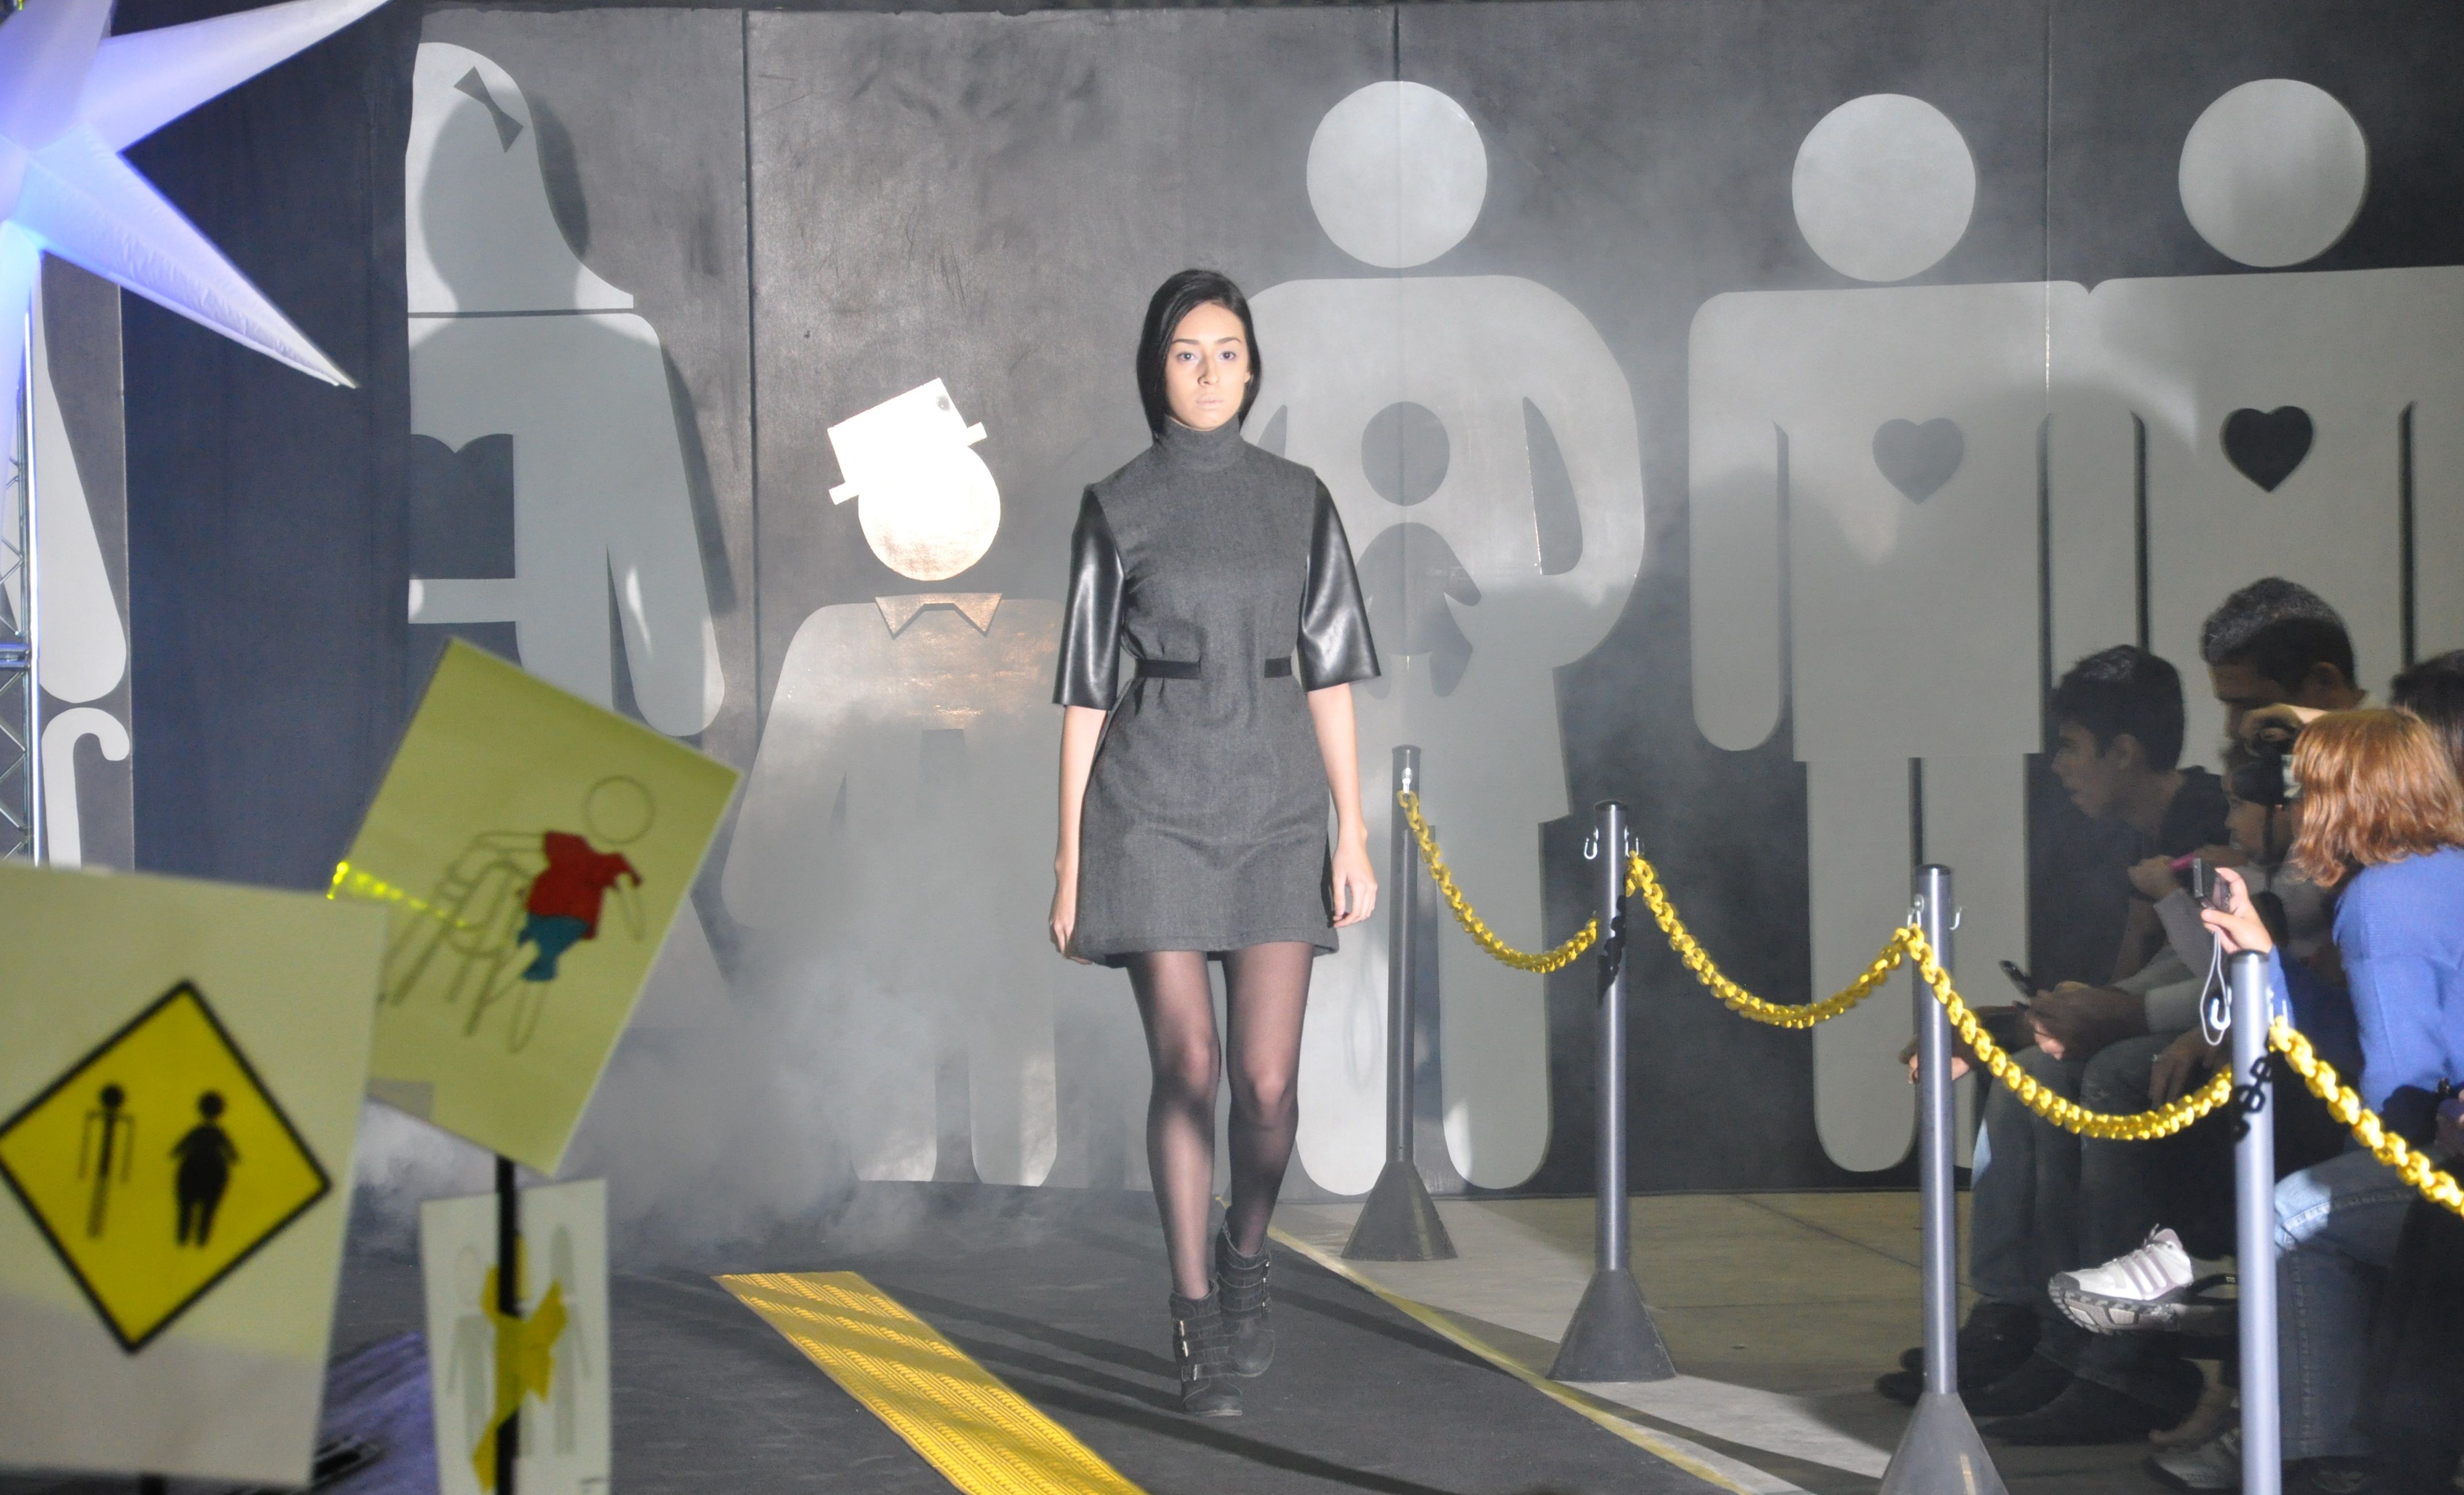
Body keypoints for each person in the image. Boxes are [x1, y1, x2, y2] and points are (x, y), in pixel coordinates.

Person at [1049, 269, 1380, 1418]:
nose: (1207, 370)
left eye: (1226, 351)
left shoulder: (1299, 498)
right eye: (1186, 351)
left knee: (1267, 1084)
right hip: (1150, 805)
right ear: (1157, 368)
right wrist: (1069, 857)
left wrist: (1352, 828)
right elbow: (1086, 692)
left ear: (1253, 367)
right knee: (1186, 1064)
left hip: (1277, 803)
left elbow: (1330, 674)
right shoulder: (1118, 503)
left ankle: (1246, 1253)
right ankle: (1193, 1311)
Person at [2201, 710, 2464, 1494]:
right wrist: (2266, 962)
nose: (2294, 807)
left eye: (2308, 788)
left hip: (2443, 1166)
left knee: (2291, 1216)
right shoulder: (2443, 869)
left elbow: (2396, 1097)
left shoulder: (2381, 898)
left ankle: (2325, 1462)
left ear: (2348, 797)